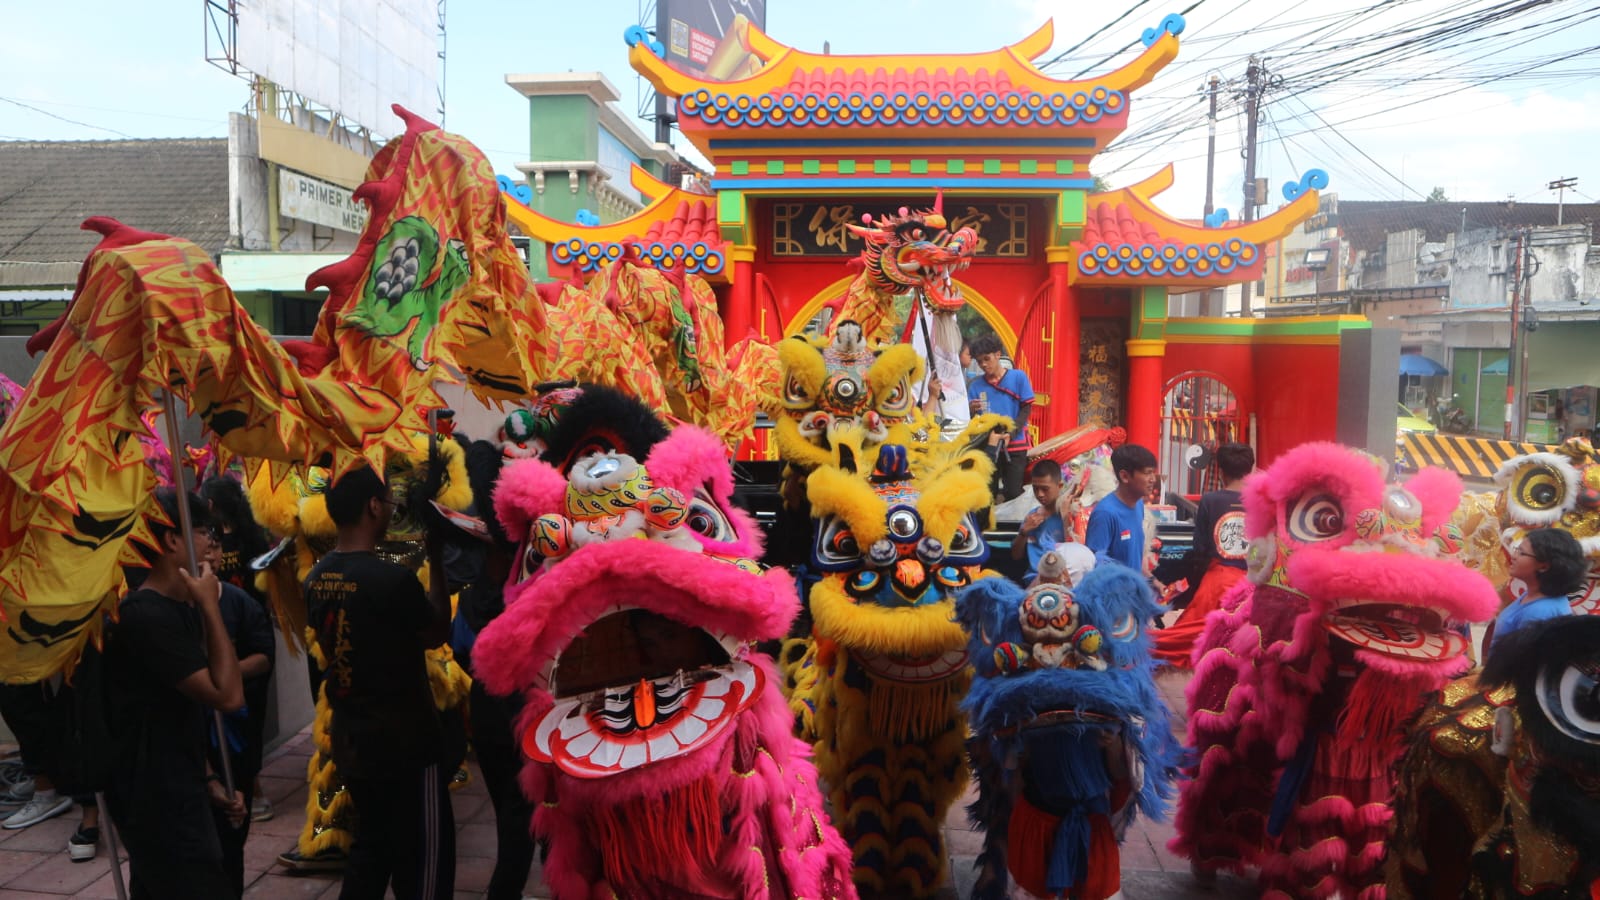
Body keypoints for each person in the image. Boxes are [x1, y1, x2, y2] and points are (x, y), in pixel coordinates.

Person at [305, 467, 455, 900]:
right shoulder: (391, 579)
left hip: (353, 738)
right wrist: (438, 561)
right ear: (373, 506)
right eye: (388, 501)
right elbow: (435, 632)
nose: (390, 509)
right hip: (407, 742)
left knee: (372, 844)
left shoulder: (315, 578)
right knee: (424, 857)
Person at [103, 488, 245, 899]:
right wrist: (211, 606)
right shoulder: (144, 617)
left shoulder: (174, 609)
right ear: (171, 540)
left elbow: (180, 706)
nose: (212, 544)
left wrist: (209, 777)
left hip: (180, 782)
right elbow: (227, 695)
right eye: (203, 532)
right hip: (155, 798)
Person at [204, 528, 276, 896]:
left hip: (236, 732)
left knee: (234, 831)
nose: (210, 556)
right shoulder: (169, 608)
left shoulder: (239, 602)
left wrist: (225, 676)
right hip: (194, 742)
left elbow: (264, 656)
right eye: (204, 546)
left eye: (215, 547)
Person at [1153, 443, 1254, 667]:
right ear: (1250, 469)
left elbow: (1200, 547)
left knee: (1187, 633)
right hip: (1251, 582)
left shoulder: (1210, 500)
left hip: (1217, 580)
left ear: (1221, 471)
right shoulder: (1260, 501)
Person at [1488, 528, 1586, 657]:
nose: (1514, 556)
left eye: (1522, 553)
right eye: (1517, 550)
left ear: (1544, 566)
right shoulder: (1535, 595)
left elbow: (1522, 663)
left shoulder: (1540, 613)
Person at [967, 333, 1034, 501]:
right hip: (988, 445)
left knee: (1014, 492)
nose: (983, 364)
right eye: (979, 361)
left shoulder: (1018, 377)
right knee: (988, 492)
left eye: (987, 359)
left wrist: (1011, 433)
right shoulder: (975, 385)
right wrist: (971, 411)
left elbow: (1026, 408)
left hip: (1016, 443)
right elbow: (973, 420)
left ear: (998, 355)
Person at [1085, 444, 1159, 574]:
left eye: (1153, 472)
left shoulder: (1138, 505)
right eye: (1147, 473)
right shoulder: (1105, 514)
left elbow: (1135, 559)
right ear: (1125, 476)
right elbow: (1095, 569)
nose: (1153, 479)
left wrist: (1153, 581)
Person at [1012, 459, 1069, 584]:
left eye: (1045, 489)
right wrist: (1023, 533)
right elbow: (1016, 556)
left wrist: (1066, 519)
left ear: (1059, 486)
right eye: (1035, 489)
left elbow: (1077, 551)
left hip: (1062, 580)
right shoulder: (1032, 516)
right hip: (1033, 579)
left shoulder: (1070, 514)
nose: (1040, 494)